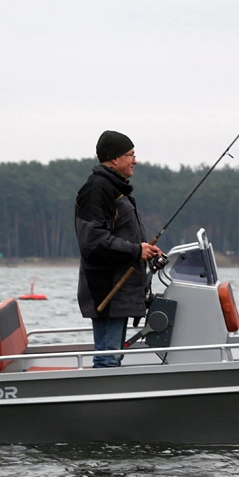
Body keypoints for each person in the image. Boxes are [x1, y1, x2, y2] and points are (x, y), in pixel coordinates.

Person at [75, 130, 162, 367]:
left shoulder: (114, 189)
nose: (135, 161)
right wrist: (136, 251)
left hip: (119, 291)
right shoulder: (97, 190)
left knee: (113, 357)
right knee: (108, 359)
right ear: (115, 159)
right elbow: (92, 241)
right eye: (130, 155)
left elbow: (118, 236)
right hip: (107, 290)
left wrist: (145, 250)